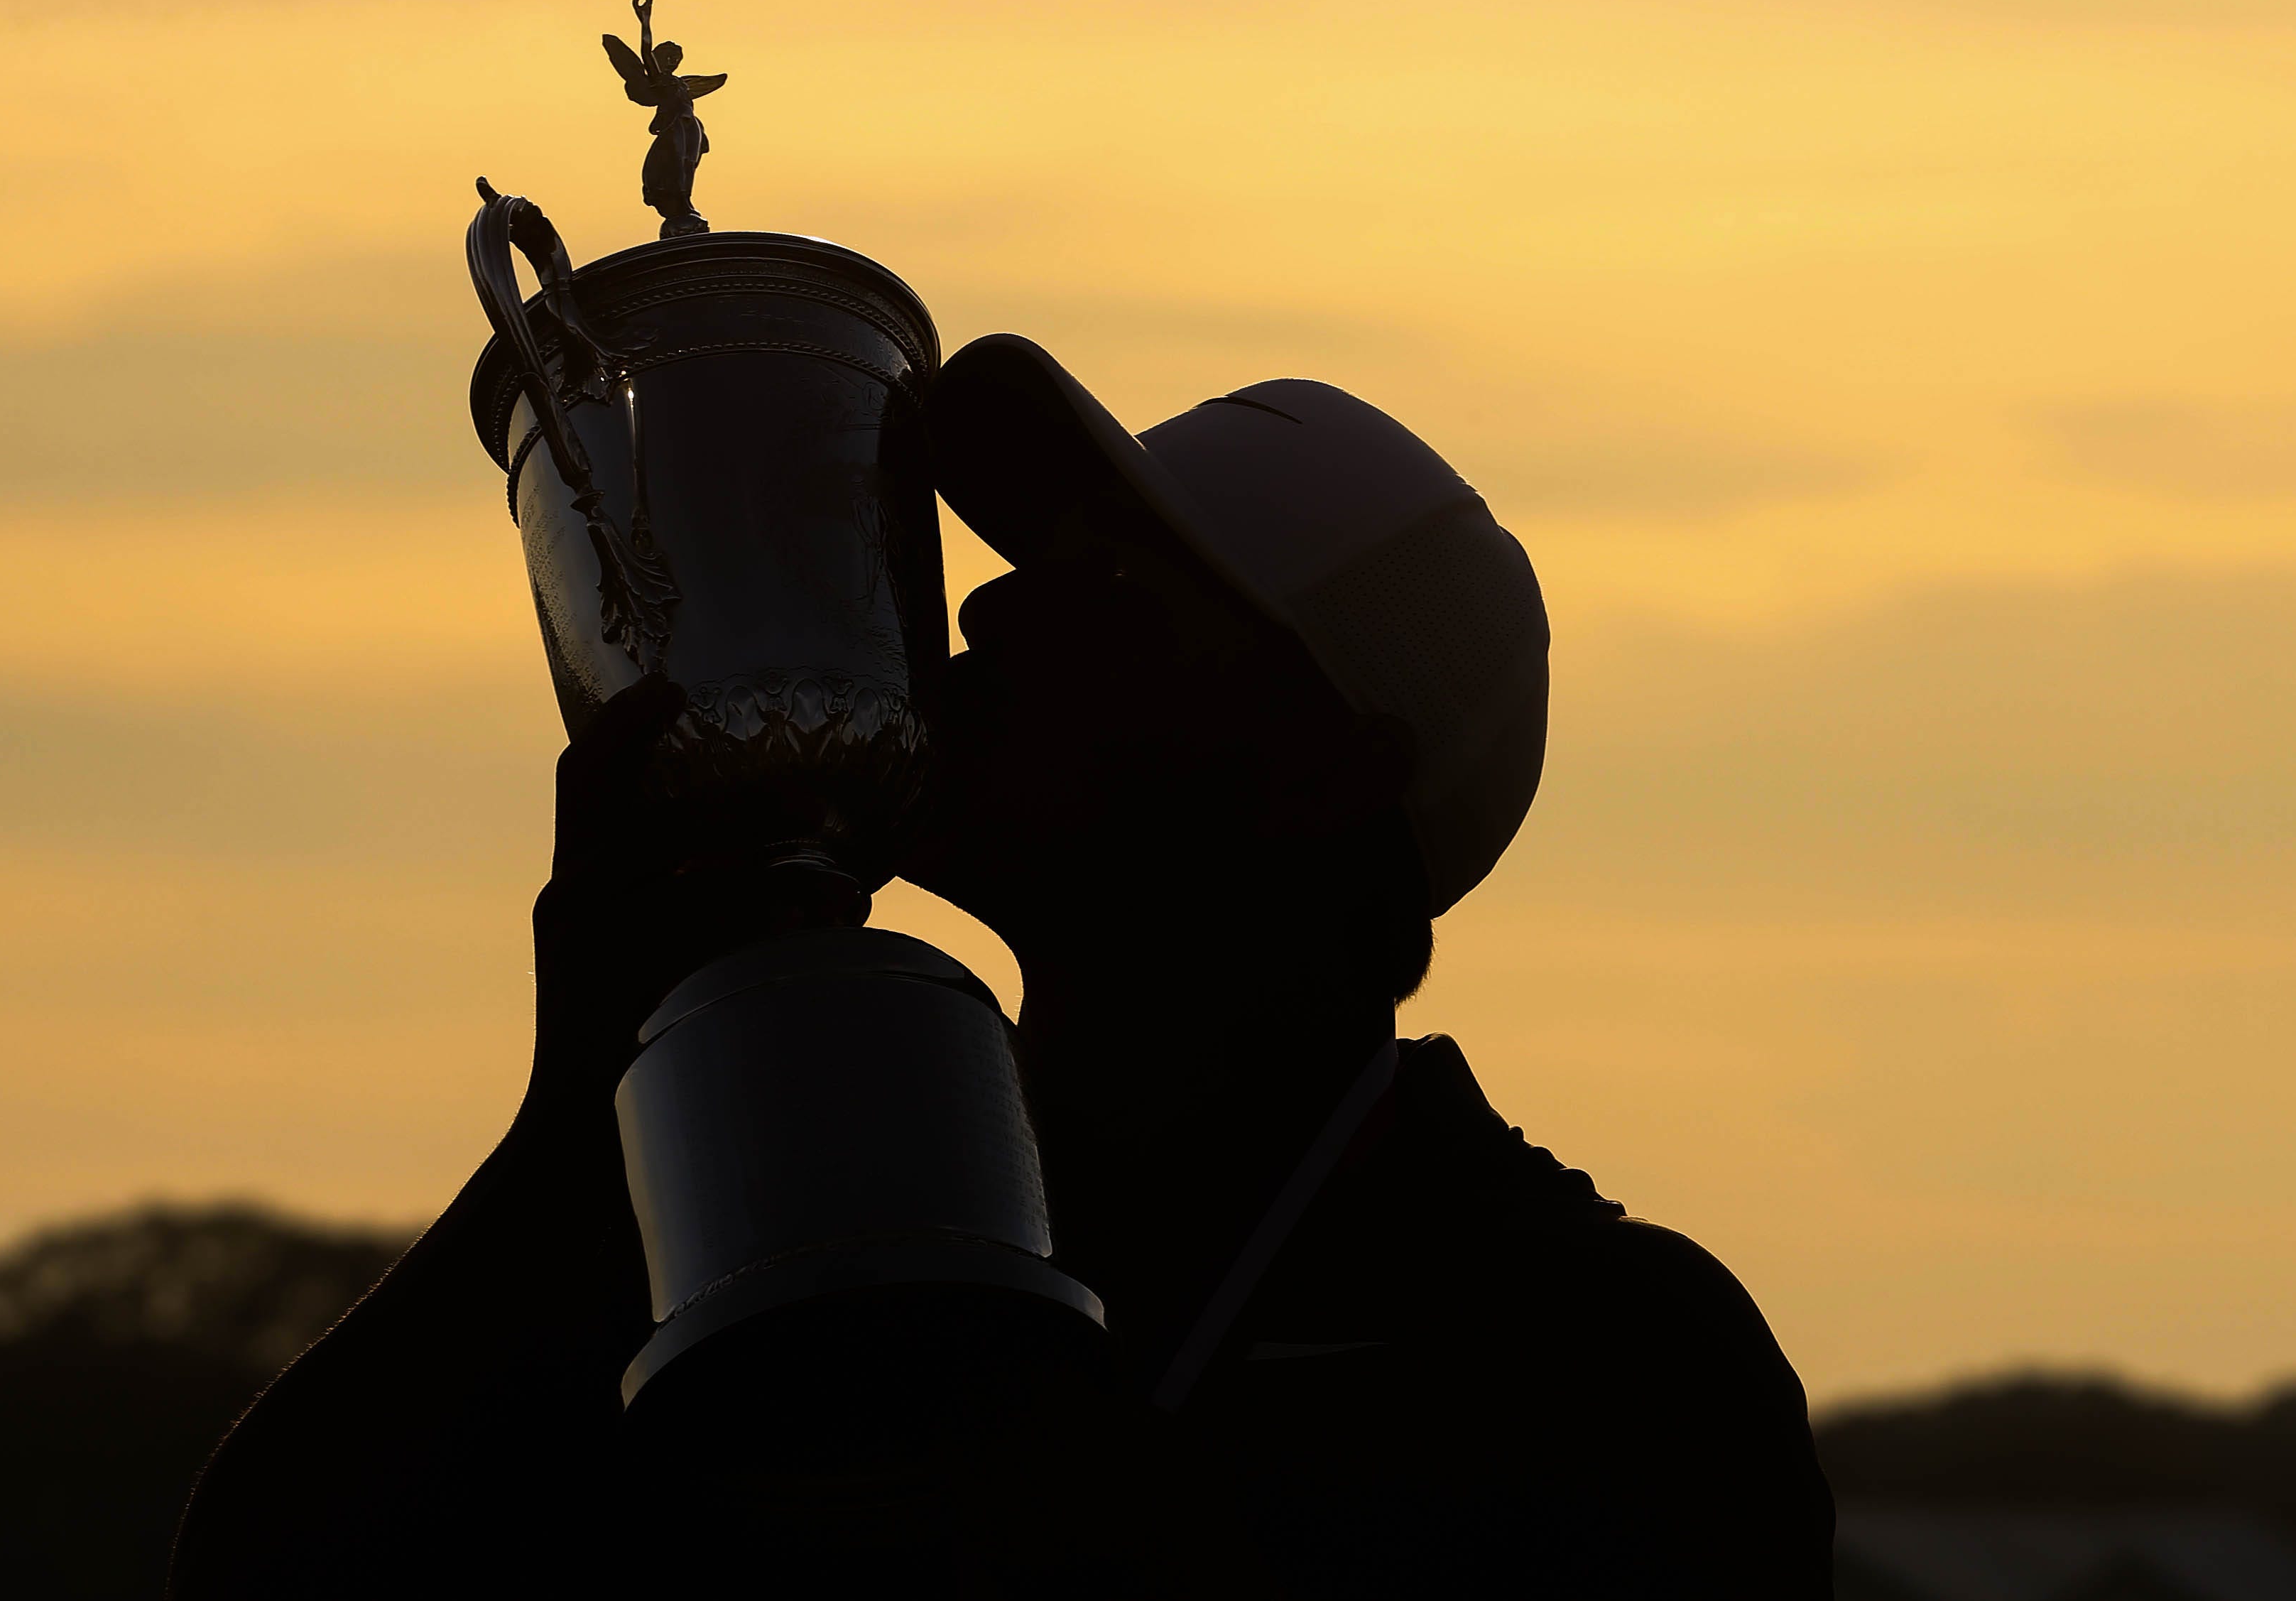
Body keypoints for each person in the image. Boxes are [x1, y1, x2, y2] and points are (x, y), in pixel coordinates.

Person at [169, 335, 1833, 1596]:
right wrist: (581, 1122)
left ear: (1322, 765)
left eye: (1109, 587)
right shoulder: (797, 1206)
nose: (988, 619)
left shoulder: (1598, 1357)